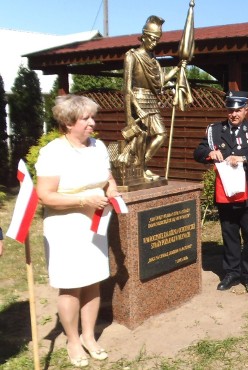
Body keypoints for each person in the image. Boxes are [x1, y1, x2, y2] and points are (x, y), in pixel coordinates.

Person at [35, 95, 119, 367]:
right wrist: (84, 200)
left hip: (95, 225)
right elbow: (45, 196)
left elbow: (108, 178)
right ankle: (72, 339)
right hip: (65, 227)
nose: (93, 123)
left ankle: (89, 336)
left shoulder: (98, 146)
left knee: (93, 281)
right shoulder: (53, 152)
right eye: (86, 119)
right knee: (71, 286)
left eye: (93, 118)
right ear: (69, 123)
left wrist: (112, 191)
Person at [193, 91, 248, 293]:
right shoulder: (215, 130)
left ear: (245, 110)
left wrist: (243, 159)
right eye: (230, 110)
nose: (233, 114)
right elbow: (198, 152)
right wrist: (209, 153)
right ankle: (232, 272)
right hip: (225, 192)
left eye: (237, 110)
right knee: (229, 233)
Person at [119, 15, 182, 181]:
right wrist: (133, 111)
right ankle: (140, 169)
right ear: (144, 36)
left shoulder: (153, 59)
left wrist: (177, 69)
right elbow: (127, 87)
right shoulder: (132, 55)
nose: (155, 43)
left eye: (157, 40)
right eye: (152, 39)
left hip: (151, 101)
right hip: (137, 100)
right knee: (141, 138)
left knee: (161, 134)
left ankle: (142, 164)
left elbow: (159, 82)